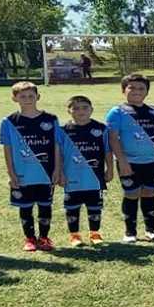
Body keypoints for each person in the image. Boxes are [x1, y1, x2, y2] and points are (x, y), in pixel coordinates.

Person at [105, 74, 154, 242]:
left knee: (149, 193)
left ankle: (151, 230)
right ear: (123, 90)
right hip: (129, 163)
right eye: (131, 88)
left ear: (147, 92)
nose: (136, 91)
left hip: (152, 163)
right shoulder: (117, 112)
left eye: (141, 88)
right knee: (131, 194)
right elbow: (113, 138)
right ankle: (130, 232)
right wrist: (122, 161)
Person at [0, 81, 62, 252]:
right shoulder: (8, 122)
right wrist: (11, 174)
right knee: (25, 208)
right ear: (15, 98)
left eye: (31, 96)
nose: (27, 99)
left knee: (45, 206)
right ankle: (29, 239)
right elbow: (8, 150)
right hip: (22, 174)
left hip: (46, 174)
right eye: (22, 96)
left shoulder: (51, 119)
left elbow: (57, 146)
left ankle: (44, 238)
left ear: (38, 97)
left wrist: (57, 169)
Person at [60, 95, 113, 246]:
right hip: (72, 178)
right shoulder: (63, 131)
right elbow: (60, 155)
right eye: (75, 108)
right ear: (69, 111)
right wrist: (60, 173)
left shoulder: (101, 129)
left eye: (85, 107)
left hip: (94, 178)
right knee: (72, 208)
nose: (80, 111)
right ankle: (74, 235)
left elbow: (108, 151)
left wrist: (110, 169)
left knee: (95, 207)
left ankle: (95, 234)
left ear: (92, 110)